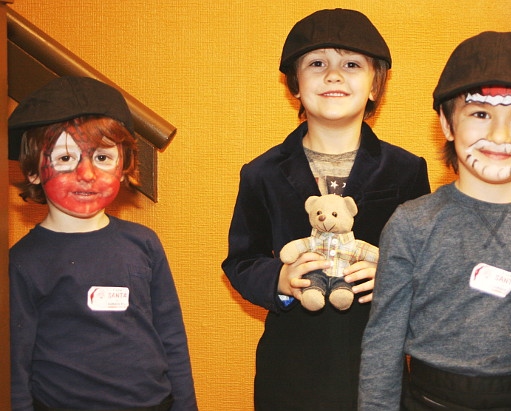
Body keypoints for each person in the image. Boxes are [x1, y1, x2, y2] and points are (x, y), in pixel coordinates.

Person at [359, 31, 511, 411]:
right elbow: (382, 343)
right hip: (431, 400)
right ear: (446, 123)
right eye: (480, 114)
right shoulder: (412, 224)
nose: (499, 134)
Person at [222, 8, 430, 410]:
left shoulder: (407, 169)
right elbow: (241, 259)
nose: (333, 75)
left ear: (375, 85)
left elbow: (426, 263)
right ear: (295, 86)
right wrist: (279, 279)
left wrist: (393, 275)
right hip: (291, 365)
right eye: (317, 63)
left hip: (375, 362)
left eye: (351, 64)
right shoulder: (261, 172)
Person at [9, 76, 198, 411]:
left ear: (123, 168)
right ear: (34, 172)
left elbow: (172, 336)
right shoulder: (23, 261)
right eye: (65, 159)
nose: (87, 174)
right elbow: (15, 361)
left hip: (154, 404)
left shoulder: (143, 243)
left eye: (102, 158)